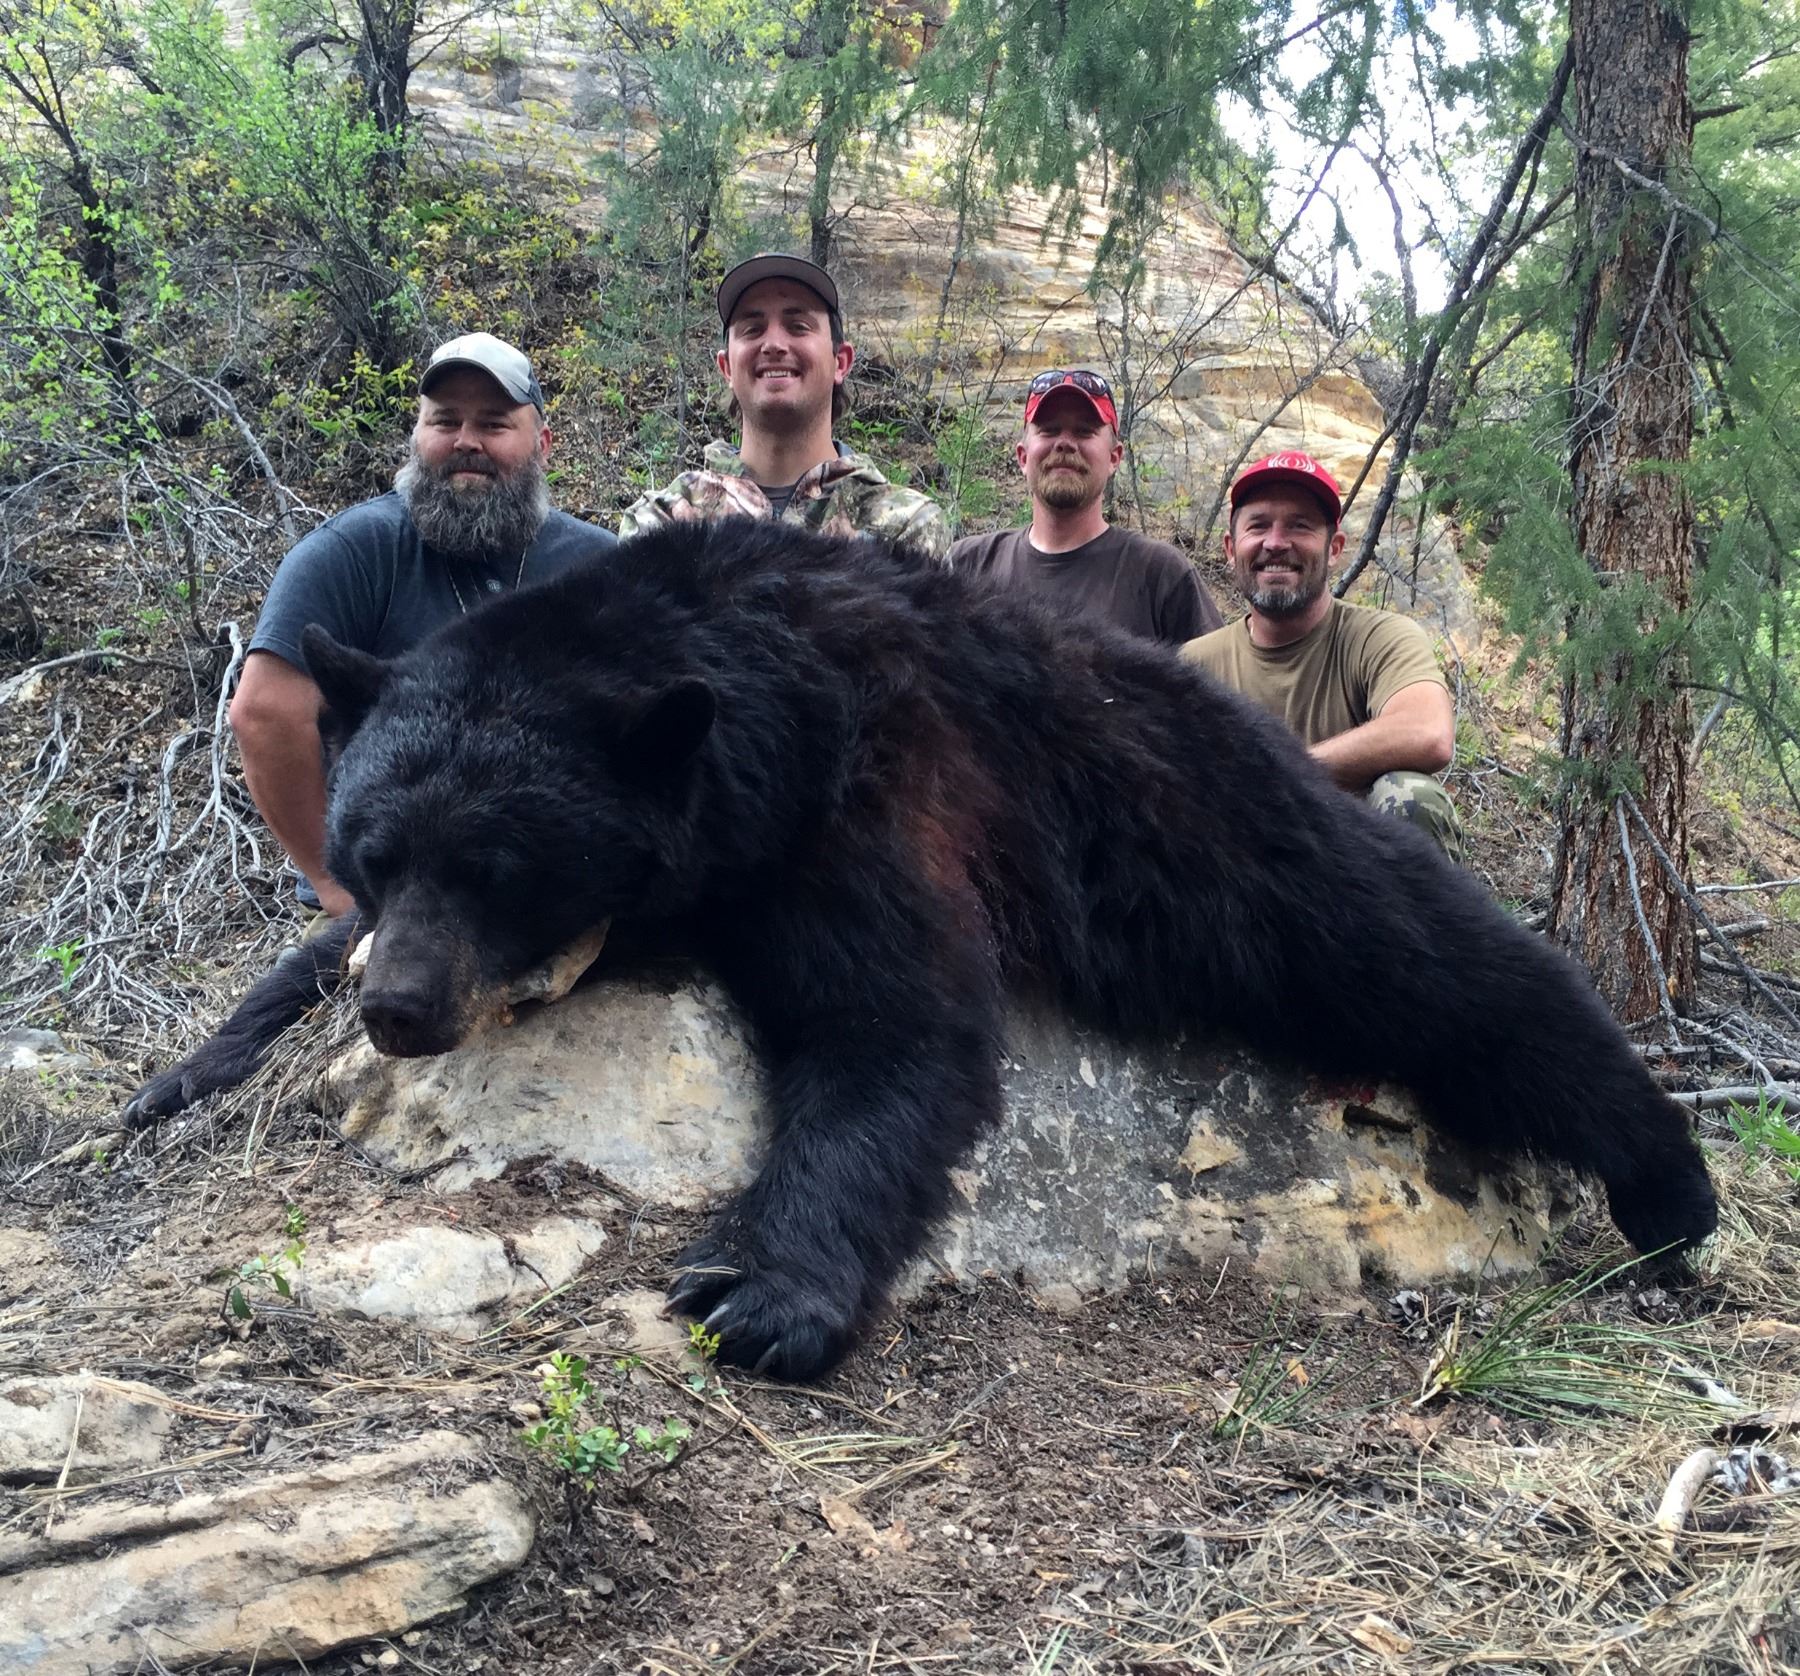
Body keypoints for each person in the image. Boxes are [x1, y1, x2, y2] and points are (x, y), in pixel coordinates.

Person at [231, 332, 619, 918]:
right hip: (392, 904)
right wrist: (338, 888)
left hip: (541, 895)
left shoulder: (598, 562)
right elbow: (264, 714)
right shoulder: (352, 553)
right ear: (416, 437)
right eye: (445, 421)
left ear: (543, 445)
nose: (466, 441)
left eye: (493, 424)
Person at [1182, 450, 1462, 859]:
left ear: (1334, 548)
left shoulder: (1380, 638)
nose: (1276, 543)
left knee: (1411, 794)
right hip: (1239, 872)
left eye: (1299, 525)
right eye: (1258, 526)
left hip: (1356, 872)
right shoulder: (1194, 666)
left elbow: (1427, 732)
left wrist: (1280, 776)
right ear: (1230, 548)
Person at [619, 253, 950, 559]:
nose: (774, 344)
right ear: (727, 368)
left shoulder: (906, 527)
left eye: (798, 327)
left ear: (840, 362)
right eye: (753, 329)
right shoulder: (663, 521)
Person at [951, 369, 1222, 644]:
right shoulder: (967, 565)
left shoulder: (1160, 574)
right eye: (1049, 430)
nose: (1065, 443)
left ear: (1114, 458)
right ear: (1022, 457)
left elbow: (1217, 667)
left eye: (1084, 431)